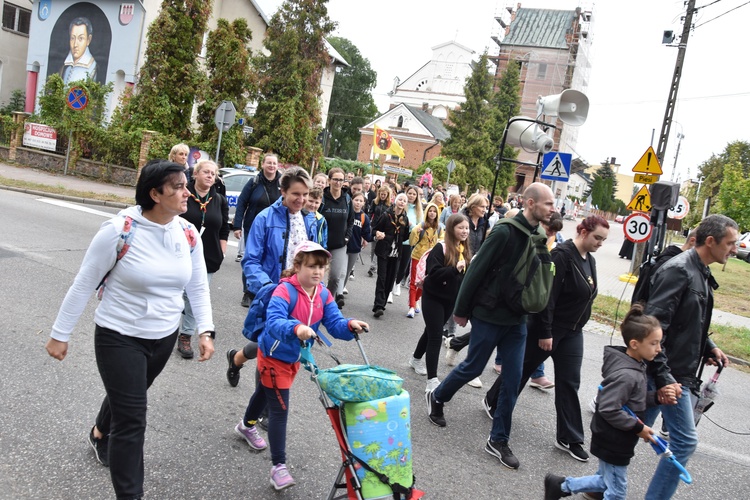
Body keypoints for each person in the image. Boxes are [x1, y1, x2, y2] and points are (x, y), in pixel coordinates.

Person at [45, 160, 215, 499]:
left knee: (130, 396)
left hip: (163, 337)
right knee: (133, 419)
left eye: (186, 185)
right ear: (155, 193)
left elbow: (197, 286)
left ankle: (99, 432)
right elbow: (84, 282)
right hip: (119, 335)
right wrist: (59, 334)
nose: (187, 192)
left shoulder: (187, 232)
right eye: (179, 187)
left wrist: (205, 331)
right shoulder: (120, 229)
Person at [426, 182, 556, 471]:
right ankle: (437, 396)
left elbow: (541, 278)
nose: (553, 208)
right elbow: (477, 268)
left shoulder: (538, 235)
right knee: (472, 367)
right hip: (489, 313)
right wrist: (461, 309)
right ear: (531, 203)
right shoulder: (505, 230)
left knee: (513, 379)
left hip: (517, 319)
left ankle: (498, 439)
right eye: (548, 203)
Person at [236, 241, 369, 491]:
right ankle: (279, 467)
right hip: (274, 357)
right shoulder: (284, 291)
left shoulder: (323, 294)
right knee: (279, 409)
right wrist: (296, 328)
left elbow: (335, 322)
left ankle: (245, 425)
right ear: (297, 266)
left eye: (321, 267)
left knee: (264, 395)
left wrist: (350, 325)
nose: (317, 272)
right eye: (310, 266)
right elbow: (274, 322)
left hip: (294, 358)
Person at [484, 215, 610, 464]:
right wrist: (546, 332)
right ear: (583, 232)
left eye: (604, 240)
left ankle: (569, 437)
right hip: (549, 329)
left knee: (569, 382)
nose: (600, 243)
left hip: (573, 332)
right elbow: (547, 297)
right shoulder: (562, 255)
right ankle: (493, 401)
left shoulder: (590, 261)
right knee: (520, 370)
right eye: (597, 237)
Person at [641, 214, 735, 499]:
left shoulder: (700, 270)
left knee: (625, 435)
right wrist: (664, 377)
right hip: (669, 374)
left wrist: (709, 346)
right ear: (710, 241)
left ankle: (579, 486)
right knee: (684, 442)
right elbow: (654, 326)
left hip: (673, 371)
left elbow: (687, 319)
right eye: (730, 243)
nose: (735, 249)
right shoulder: (680, 270)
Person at [544, 304, 673, 500]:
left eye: (659, 343)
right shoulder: (628, 374)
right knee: (617, 492)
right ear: (635, 344)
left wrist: (655, 398)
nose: (659, 349)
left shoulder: (636, 367)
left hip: (617, 437)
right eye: (654, 343)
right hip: (613, 440)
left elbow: (630, 401)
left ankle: (561, 486)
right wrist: (639, 428)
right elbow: (608, 408)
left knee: (605, 481)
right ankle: (561, 486)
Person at [226, 167, 316, 387]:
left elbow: (315, 260)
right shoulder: (264, 218)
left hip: (299, 294)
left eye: (305, 194)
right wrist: (268, 287)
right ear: (282, 191)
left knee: (279, 343)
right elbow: (251, 261)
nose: (301, 199)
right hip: (273, 293)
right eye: (296, 193)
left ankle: (236, 358)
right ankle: (265, 409)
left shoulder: (310, 220)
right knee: (270, 347)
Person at [409, 214, 472, 392]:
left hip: (450, 300)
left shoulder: (465, 250)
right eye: (461, 228)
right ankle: (432, 380)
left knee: (430, 332)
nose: (465, 231)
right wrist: (454, 269)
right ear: (452, 229)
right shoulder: (440, 248)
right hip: (433, 297)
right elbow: (433, 275)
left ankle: (415, 359)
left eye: (467, 228)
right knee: (436, 336)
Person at [177, 160, 229, 359]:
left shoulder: (219, 200)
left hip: (207, 256)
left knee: (194, 297)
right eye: (206, 172)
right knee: (177, 293)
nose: (210, 176)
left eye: (213, 174)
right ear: (195, 174)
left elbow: (224, 227)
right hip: (179, 254)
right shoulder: (184, 194)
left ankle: (185, 335)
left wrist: (222, 250)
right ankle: (167, 327)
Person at [234, 153, 282, 307]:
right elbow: (242, 202)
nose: (272, 166)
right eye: (269, 163)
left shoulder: (282, 183)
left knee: (270, 260)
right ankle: (247, 292)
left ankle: (268, 291)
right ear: (263, 164)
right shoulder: (254, 182)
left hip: (275, 229)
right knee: (252, 258)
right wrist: (237, 225)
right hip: (253, 227)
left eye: (274, 163)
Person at [371, 192, 409, 318]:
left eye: (404, 201)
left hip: (396, 253)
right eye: (400, 200)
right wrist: (378, 234)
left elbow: (406, 237)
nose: (402, 202)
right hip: (384, 251)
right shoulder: (386, 215)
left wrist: (415, 232)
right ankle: (378, 305)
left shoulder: (405, 218)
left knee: (390, 279)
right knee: (382, 277)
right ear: (395, 201)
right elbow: (375, 229)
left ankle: (383, 302)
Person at [320, 168, 354, 308]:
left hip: (339, 244)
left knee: (334, 277)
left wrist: (347, 237)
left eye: (341, 180)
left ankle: (327, 304)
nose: (338, 183)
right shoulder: (322, 198)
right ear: (329, 181)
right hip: (321, 244)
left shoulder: (347, 199)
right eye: (335, 179)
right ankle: (314, 303)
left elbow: (351, 221)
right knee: (316, 276)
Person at [406, 202, 442, 318]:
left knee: (425, 282)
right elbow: (411, 242)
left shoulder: (440, 228)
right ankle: (411, 306)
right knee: (413, 282)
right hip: (417, 256)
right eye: (430, 211)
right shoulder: (420, 226)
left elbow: (441, 243)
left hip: (431, 259)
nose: (432, 213)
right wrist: (415, 233)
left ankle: (416, 300)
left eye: (434, 211)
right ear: (427, 213)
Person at [394, 186, 423, 300]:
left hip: (409, 241)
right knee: (395, 264)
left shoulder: (419, 211)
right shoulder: (401, 206)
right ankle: (392, 285)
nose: (411, 196)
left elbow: (420, 227)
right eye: (409, 193)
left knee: (404, 266)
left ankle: (397, 284)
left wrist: (411, 225)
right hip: (398, 240)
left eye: (413, 194)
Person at [342, 192, 372, 295]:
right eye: (356, 200)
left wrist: (376, 236)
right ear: (352, 200)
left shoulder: (364, 218)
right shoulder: (346, 212)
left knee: (347, 271)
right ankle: (335, 291)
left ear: (364, 203)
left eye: (360, 201)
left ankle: (341, 290)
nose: (358, 203)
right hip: (342, 245)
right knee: (340, 271)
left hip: (354, 248)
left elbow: (367, 234)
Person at [61, 17, 98, 84]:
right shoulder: (64, 66)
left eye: (80, 38)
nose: (75, 44)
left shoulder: (93, 68)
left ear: (88, 40)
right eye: (72, 38)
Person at [367, 185, 392, 277]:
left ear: (387, 195)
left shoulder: (390, 205)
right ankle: (373, 265)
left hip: (384, 229)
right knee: (373, 248)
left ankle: (373, 267)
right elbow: (370, 213)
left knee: (378, 246)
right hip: (374, 227)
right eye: (381, 194)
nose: (383, 196)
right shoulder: (375, 202)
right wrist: (369, 223)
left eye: (384, 194)